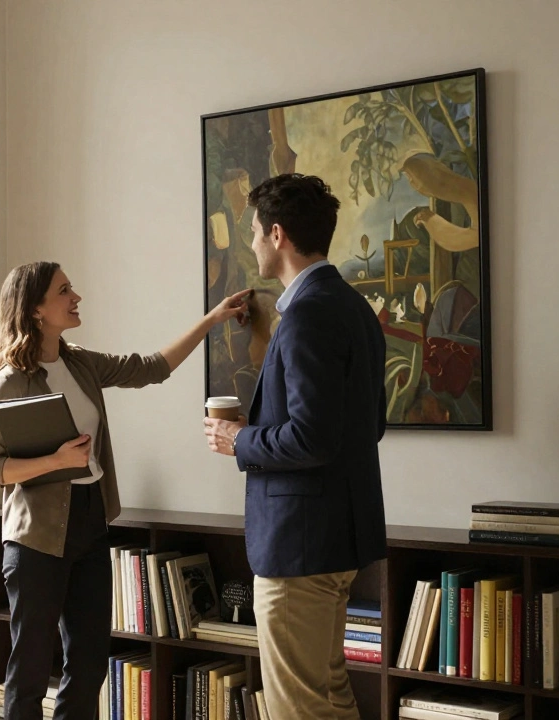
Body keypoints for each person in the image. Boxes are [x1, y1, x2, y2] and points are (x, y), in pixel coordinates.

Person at [0, 261, 250, 720]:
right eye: (64, 290)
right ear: (37, 309)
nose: (76, 296)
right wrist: (57, 461)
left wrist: (213, 318)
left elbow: (151, 368)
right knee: (30, 671)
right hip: (36, 539)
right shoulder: (9, 382)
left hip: (89, 522)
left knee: (87, 665)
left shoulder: (79, 362)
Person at [203, 173, 387, 720]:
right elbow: (366, 426)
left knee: (298, 709)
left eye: (255, 231)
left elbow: (313, 436)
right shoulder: (353, 307)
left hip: (298, 551)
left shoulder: (305, 315)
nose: (252, 242)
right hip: (339, 542)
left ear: (277, 234)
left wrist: (239, 438)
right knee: (330, 697)